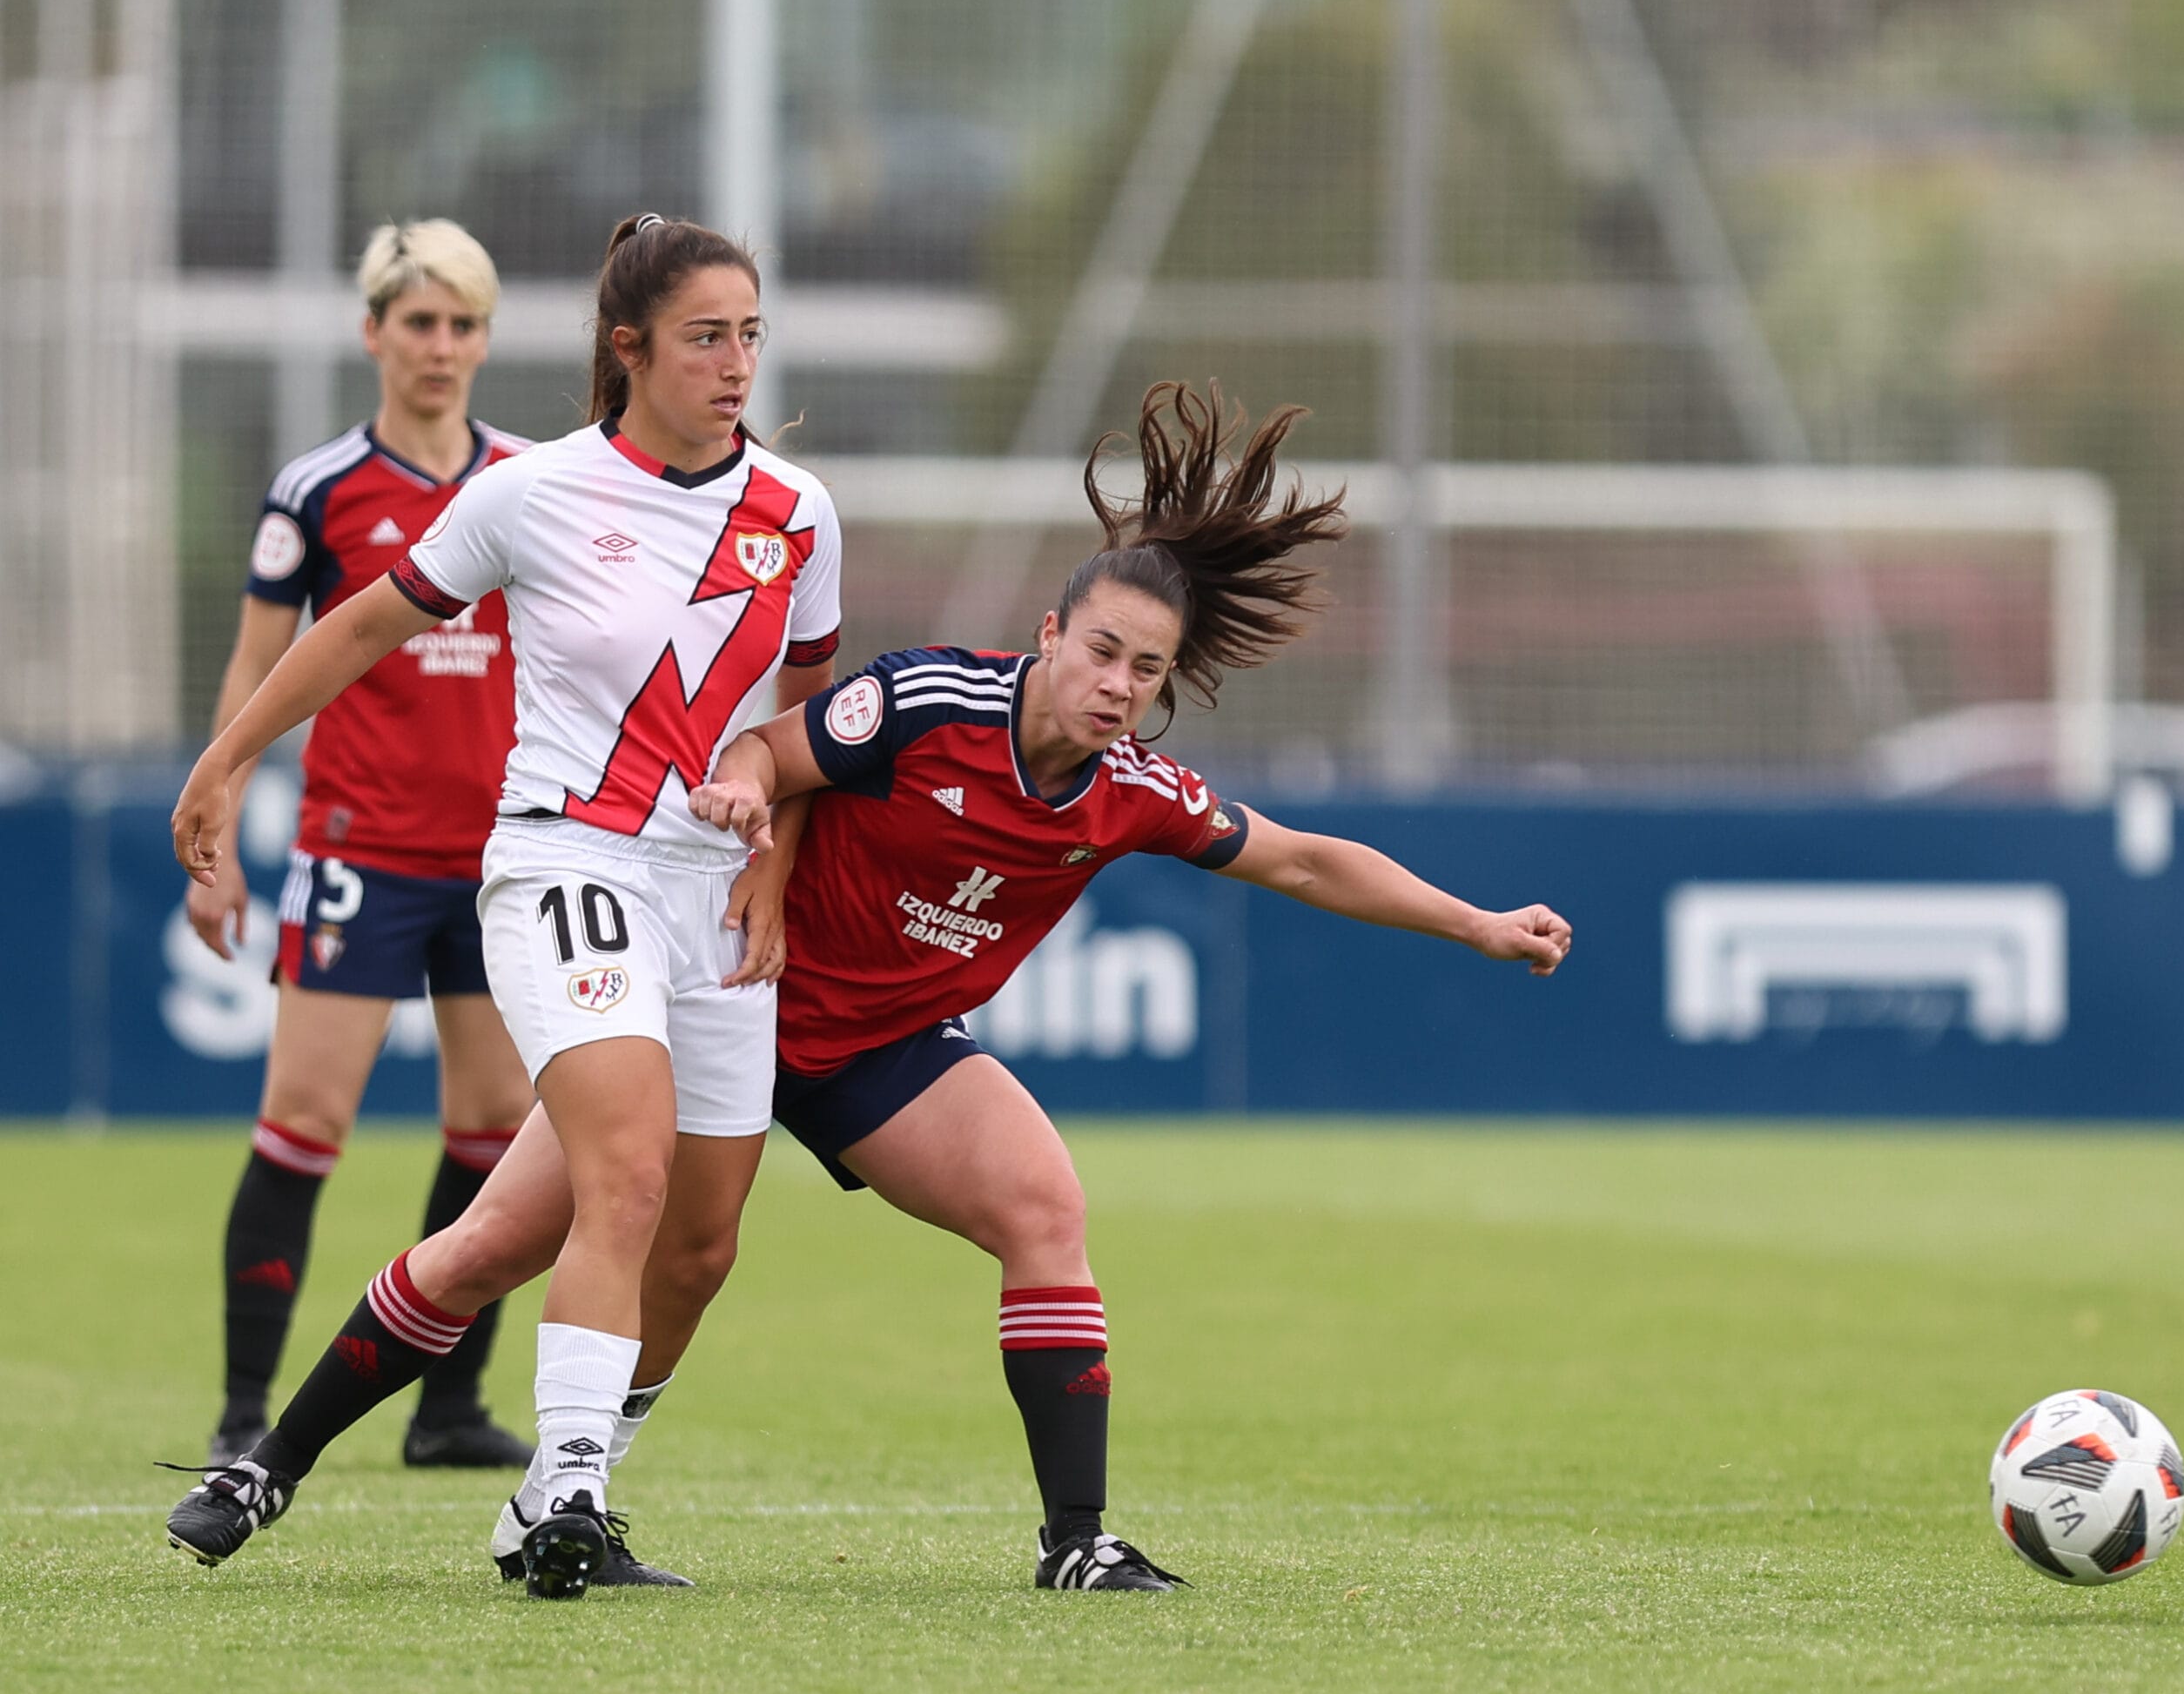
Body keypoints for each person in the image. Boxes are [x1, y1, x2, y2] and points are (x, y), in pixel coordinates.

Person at [162, 382, 1567, 1597]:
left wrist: (1479, 924)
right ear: (1049, 634)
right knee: (496, 1247)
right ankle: (267, 1468)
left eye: (1146, 669)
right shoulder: (927, 702)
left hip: (876, 1050)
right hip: (730, 991)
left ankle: (1067, 1539)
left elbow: (1310, 862)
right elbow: (774, 750)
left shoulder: (1133, 792)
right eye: (1101, 652)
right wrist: (744, 814)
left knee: (1037, 1205)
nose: (1119, 685)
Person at [163, 213, 842, 1600]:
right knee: (630, 1173)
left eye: (751, 336)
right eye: (707, 336)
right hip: (563, 864)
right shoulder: (535, 492)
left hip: (712, 902)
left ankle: (270, 1460)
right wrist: (225, 762)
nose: (735, 364)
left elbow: (808, 717)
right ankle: (575, 1495)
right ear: (628, 347)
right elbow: (354, 626)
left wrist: (773, 850)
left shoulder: (799, 512)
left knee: (669, 1241)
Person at [192, 218, 537, 1469]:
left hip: (504, 857)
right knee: (303, 1118)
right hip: (361, 846)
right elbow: (257, 661)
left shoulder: (527, 480)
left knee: (498, 1130)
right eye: (418, 323)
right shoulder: (319, 488)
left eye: (461, 325)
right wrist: (220, 816)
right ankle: (244, 1415)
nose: (439, 347)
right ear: (373, 334)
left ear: (487, 340)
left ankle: (447, 1408)